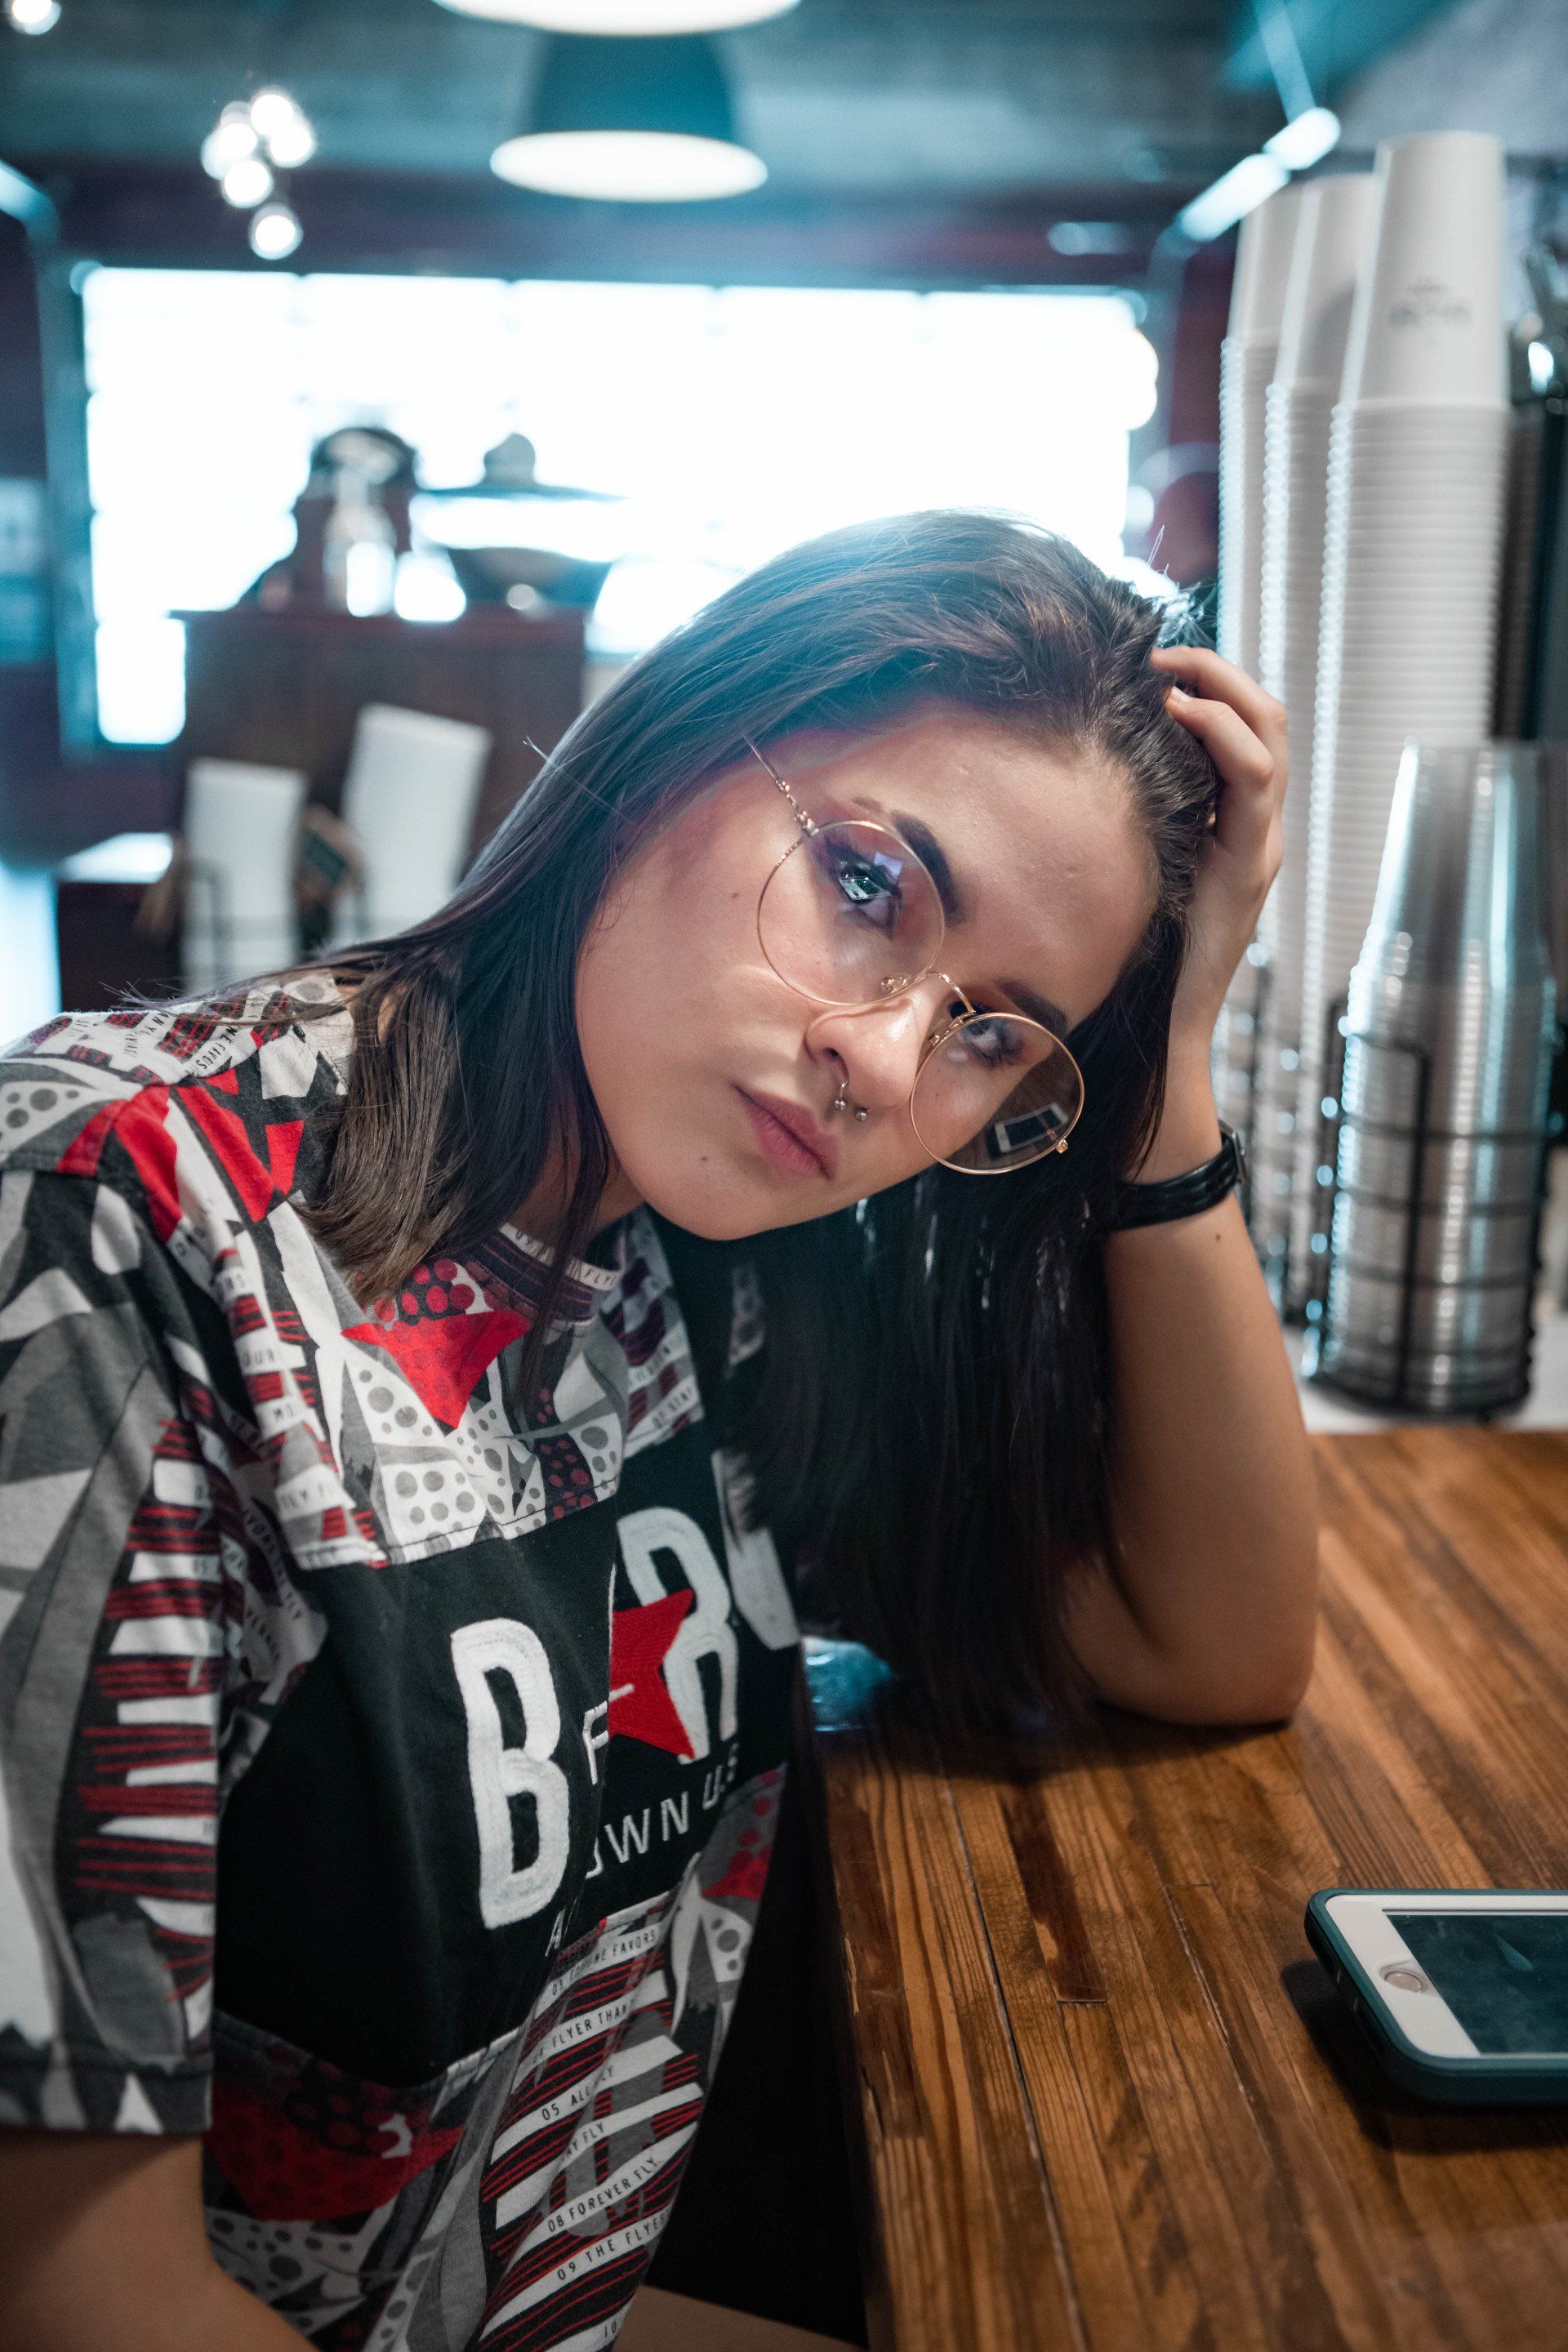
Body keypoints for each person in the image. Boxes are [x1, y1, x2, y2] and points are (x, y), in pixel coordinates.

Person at [0, 511, 1316, 2350]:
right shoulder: (114, 1233)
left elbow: (1209, 1638)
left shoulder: (720, 1257)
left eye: (997, 1035)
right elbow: (76, 2295)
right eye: (867, 883)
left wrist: (1165, 1070)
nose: (882, 1058)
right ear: (669, 750)